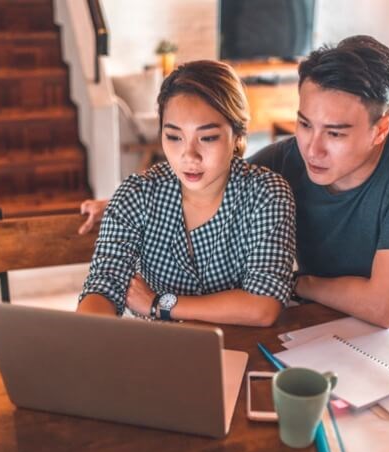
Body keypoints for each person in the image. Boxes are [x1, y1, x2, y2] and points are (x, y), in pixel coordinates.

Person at [78, 36, 389, 329]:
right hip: (311, 326)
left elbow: (384, 306)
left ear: (380, 130)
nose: (312, 148)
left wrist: (295, 284)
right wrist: (120, 203)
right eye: (304, 124)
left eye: (335, 134)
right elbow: (210, 180)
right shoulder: (287, 159)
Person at [77, 60, 296, 327]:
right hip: (162, 350)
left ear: (237, 134)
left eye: (208, 137)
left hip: (244, 348)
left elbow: (263, 306)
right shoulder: (136, 194)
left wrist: (159, 303)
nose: (188, 155)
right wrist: (85, 337)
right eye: (174, 137)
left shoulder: (267, 194)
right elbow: (104, 285)